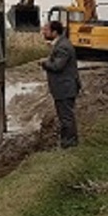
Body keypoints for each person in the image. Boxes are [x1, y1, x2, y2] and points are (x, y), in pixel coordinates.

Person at [40, 20, 81, 148]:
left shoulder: (63, 46)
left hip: (64, 88)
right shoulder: (61, 43)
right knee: (65, 116)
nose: (43, 32)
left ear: (54, 32)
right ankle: (68, 142)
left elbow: (57, 66)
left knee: (66, 117)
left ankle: (69, 144)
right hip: (64, 87)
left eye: (46, 30)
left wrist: (44, 63)